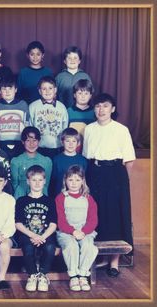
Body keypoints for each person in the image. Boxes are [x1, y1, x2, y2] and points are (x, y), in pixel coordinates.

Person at [83, 93, 135, 278]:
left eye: (105, 106)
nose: (101, 110)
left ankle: (114, 261)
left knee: (115, 215)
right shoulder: (89, 129)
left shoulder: (121, 129)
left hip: (115, 174)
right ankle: (99, 257)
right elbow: (87, 155)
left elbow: (128, 160)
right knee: (97, 214)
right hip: (94, 172)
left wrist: (122, 183)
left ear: (112, 109)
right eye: (97, 106)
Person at [55, 165, 98, 292]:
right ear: (65, 180)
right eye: (70, 180)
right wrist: (73, 231)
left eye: (77, 180)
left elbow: (93, 220)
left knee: (89, 247)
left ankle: (83, 275)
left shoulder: (89, 198)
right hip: (66, 232)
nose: (74, 183)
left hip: (86, 232)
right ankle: (73, 275)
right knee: (71, 246)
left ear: (83, 181)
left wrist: (83, 232)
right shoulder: (61, 198)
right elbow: (61, 220)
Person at [15, 165, 57, 292]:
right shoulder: (21, 201)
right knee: (27, 247)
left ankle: (43, 275)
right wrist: (33, 235)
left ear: (44, 181)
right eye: (34, 180)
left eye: (40, 180)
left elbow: (53, 224)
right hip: (27, 234)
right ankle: (32, 275)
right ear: (28, 181)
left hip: (45, 234)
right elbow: (18, 223)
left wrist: (42, 237)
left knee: (50, 247)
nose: (37, 183)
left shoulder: (49, 201)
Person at [0, 77, 30, 160]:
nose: (7, 92)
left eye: (10, 88)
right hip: (0, 143)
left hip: (19, 143)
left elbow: (27, 125)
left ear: (16, 90)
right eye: (4, 89)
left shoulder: (22, 104)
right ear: (0, 90)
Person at [29, 76, 68, 159]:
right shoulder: (33, 106)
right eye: (44, 89)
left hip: (57, 147)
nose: (47, 91)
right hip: (38, 147)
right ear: (39, 91)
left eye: (50, 88)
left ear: (55, 90)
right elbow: (29, 126)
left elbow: (65, 126)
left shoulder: (61, 107)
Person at [11, 126, 52, 200]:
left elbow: (46, 183)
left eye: (34, 140)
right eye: (28, 140)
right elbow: (15, 183)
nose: (31, 144)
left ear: (39, 141)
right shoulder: (16, 161)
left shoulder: (46, 161)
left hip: (40, 194)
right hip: (21, 194)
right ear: (23, 142)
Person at [51, 128, 87, 197]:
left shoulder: (83, 160)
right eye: (67, 141)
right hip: (60, 195)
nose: (71, 144)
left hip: (78, 196)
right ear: (62, 142)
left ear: (78, 143)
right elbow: (53, 181)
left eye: (74, 141)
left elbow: (84, 180)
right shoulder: (56, 159)